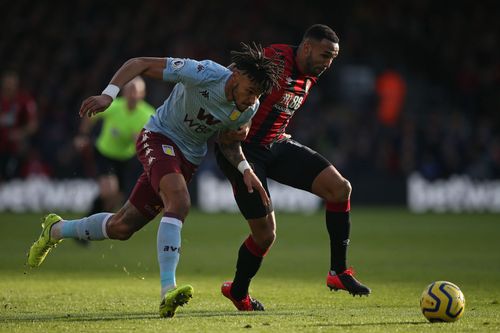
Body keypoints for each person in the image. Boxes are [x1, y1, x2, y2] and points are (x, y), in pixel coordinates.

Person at [27, 43, 283, 318]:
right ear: (236, 77)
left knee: (122, 226)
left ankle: (56, 230)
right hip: (159, 137)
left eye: (257, 95)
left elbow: (228, 144)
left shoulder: (248, 108)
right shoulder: (204, 73)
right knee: (180, 202)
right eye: (250, 91)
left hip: (188, 158)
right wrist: (108, 95)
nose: (251, 99)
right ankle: (167, 290)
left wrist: (246, 168)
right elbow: (139, 63)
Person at [215, 24, 371, 312]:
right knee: (265, 234)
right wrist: (224, 119)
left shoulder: (311, 74)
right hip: (242, 151)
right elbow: (230, 75)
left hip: (274, 144)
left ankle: (338, 272)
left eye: (333, 58)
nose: (329, 63)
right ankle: (238, 292)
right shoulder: (275, 59)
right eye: (326, 55)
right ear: (307, 48)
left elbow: (279, 107)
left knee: (340, 189)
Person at [75, 77, 155, 215]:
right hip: (105, 153)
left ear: (143, 94)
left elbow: (150, 139)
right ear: (124, 92)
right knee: (109, 191)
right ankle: (87, 222)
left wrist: (140, 140)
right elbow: (90, 115)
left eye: (136, 91)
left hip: (126, 158)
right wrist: (82, 135)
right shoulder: (114, 106)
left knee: (115, 199)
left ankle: (94, 224)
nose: (133, 94)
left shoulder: (148, 114)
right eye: (130, 90)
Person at [0, 71, 38, 181]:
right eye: (8, 83)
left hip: (15, 145)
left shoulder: (24, 100)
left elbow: (33, 125)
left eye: (13, 84)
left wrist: (20, 133)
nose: (10, 86)